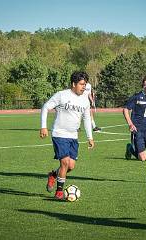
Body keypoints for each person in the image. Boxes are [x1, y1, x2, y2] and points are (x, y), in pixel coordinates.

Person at [40, 71, 95, 200]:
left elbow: (86, 119)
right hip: (59, 134)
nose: (84, 87)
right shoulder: (61, 95)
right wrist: (43, 126)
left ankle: (53, 175)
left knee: (70, 166)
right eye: (81, 84)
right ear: (73, 84)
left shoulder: (85, 101)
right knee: (64, 162)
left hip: (73, 136)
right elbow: (45, 107)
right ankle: (59, 191)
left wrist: (90, 137)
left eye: (85, 84)